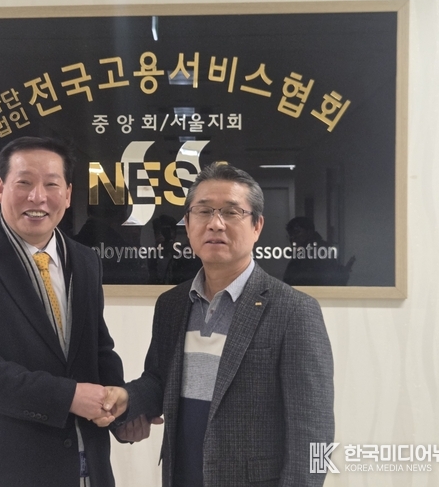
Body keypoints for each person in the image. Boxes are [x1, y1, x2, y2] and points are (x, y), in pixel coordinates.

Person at [97, 163, 334, 486]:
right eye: (204, 211)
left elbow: (314, 432)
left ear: (257, 226)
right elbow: (159, 379)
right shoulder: (172, 304)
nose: (215, 224)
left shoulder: (294, 311)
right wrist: (126, 399)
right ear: (188, 223)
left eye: (232, 212)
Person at [0, 136, 124, 487]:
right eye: (24, 183)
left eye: (51, 184)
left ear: (67, 194)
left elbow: (98, 349)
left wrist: (121, 406)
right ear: (0, 189)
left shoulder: (85, 261)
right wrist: (68, 397)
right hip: (4, 469)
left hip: (86, 465)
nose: (37, 197)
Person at [283, 216, 355, 286]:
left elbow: (321, 279)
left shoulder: (320, 250)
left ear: (309, 232)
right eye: (290, 234)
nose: (293, 237)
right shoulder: (302, 252)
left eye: (297, 232)